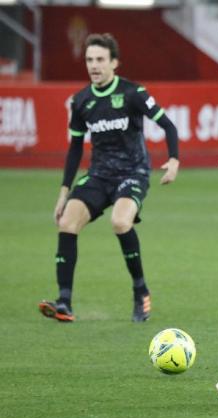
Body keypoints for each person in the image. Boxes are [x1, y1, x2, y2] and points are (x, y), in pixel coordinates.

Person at [38, 33, 180, 322]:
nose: (94, 65)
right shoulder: (81, 101)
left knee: (120, 221)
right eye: (90, 60)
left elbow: (168, 125)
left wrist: (174, 161)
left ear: (114, 63)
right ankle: (64, 302)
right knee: (66, 222)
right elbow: (75, 148)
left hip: (133, 173)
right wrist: (64, 192)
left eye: (100, 59)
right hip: (100, 175)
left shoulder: (132, 92)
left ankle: (140, 290)